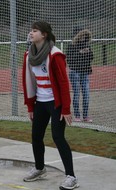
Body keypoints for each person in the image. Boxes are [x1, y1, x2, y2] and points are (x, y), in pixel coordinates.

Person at [22, 21, 79, 190]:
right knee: (36, 136)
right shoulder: (29, 55)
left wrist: (66, 109)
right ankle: (40, 168)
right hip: (40, 102)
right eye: (31, 30)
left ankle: (71, 177)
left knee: (57, 137)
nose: (31, 33)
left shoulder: (55, 54)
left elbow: (63, 82)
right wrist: (31, 107)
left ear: (44, 34)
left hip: (56, 103)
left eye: (35, 31)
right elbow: (29, 83)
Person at [66, 28, 93, 122]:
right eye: (82, 36)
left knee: (86, 95)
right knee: (76, 94)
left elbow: (91, 58)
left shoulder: (87, 45)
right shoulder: (71, 46)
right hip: (75, 72)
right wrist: (79, 53)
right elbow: (69, 60)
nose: (84, 38)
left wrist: (88, 52)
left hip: (85, 72)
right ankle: (77, 115)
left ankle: (85, 116)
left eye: (86, 36)